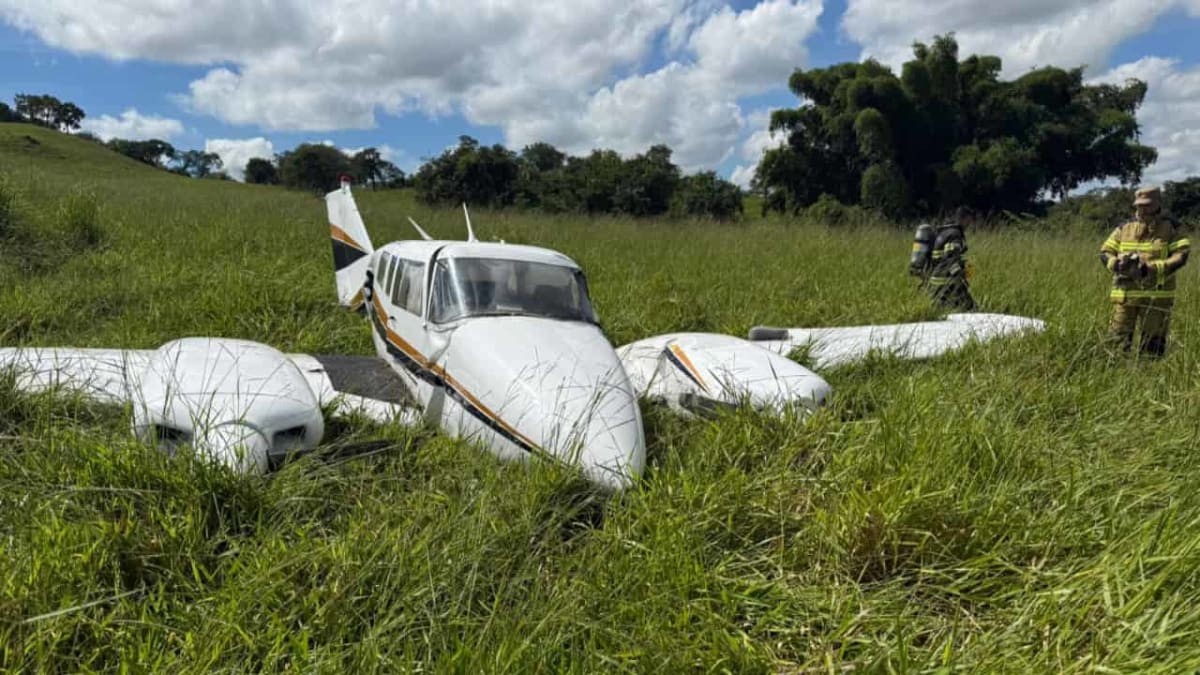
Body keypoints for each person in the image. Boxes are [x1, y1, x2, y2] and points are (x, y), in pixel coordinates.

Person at [1100, 186, 1190, 356]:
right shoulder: (1124, 227)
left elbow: (1182, 256)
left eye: (1147, 205)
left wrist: (1152, 268)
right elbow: (1105, 252)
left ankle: (1148, 376)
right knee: (1117, 343)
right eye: (1139, 205)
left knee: (1152, 347)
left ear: (1158, 203)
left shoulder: (1172, 227)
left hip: (1156, 297)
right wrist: (1117, 264)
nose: (1143, 208)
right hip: (1125, 294)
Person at [920, 207, 977, 312]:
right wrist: (960, 276)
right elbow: (950, 258)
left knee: (940, 310)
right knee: (971, 308)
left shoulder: (943, 232)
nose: (969, 224)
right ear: (963, 219)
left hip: (935, 280)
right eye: (969, 220)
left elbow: (941, 256)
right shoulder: (955, 234)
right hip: (947, 282)